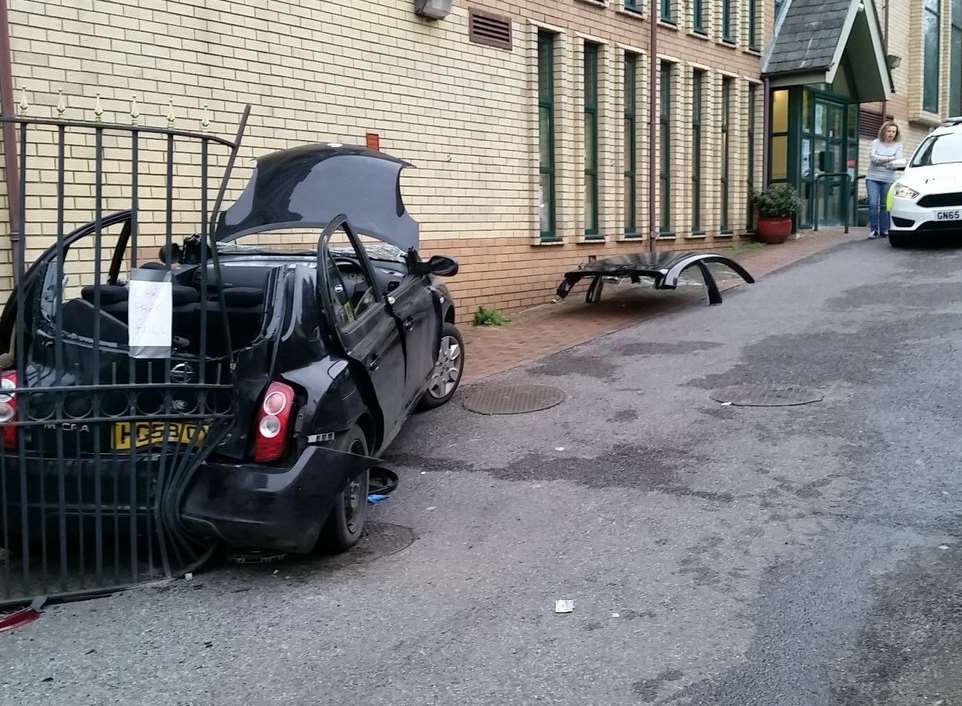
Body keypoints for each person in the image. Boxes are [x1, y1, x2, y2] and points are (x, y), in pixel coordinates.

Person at [866, 120, 903, 239]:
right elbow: (873, 159)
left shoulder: (898, 145)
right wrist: (889, 159)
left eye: (893, 132)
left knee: (884, 205)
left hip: (888, 179)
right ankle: (873, 230)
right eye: (889, 131)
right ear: (884, 132)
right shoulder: (876, 143)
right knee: (872, 204)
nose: (891, 133)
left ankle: (884, 230)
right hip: (872, 178)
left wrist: (882, 160)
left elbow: (897, 161)